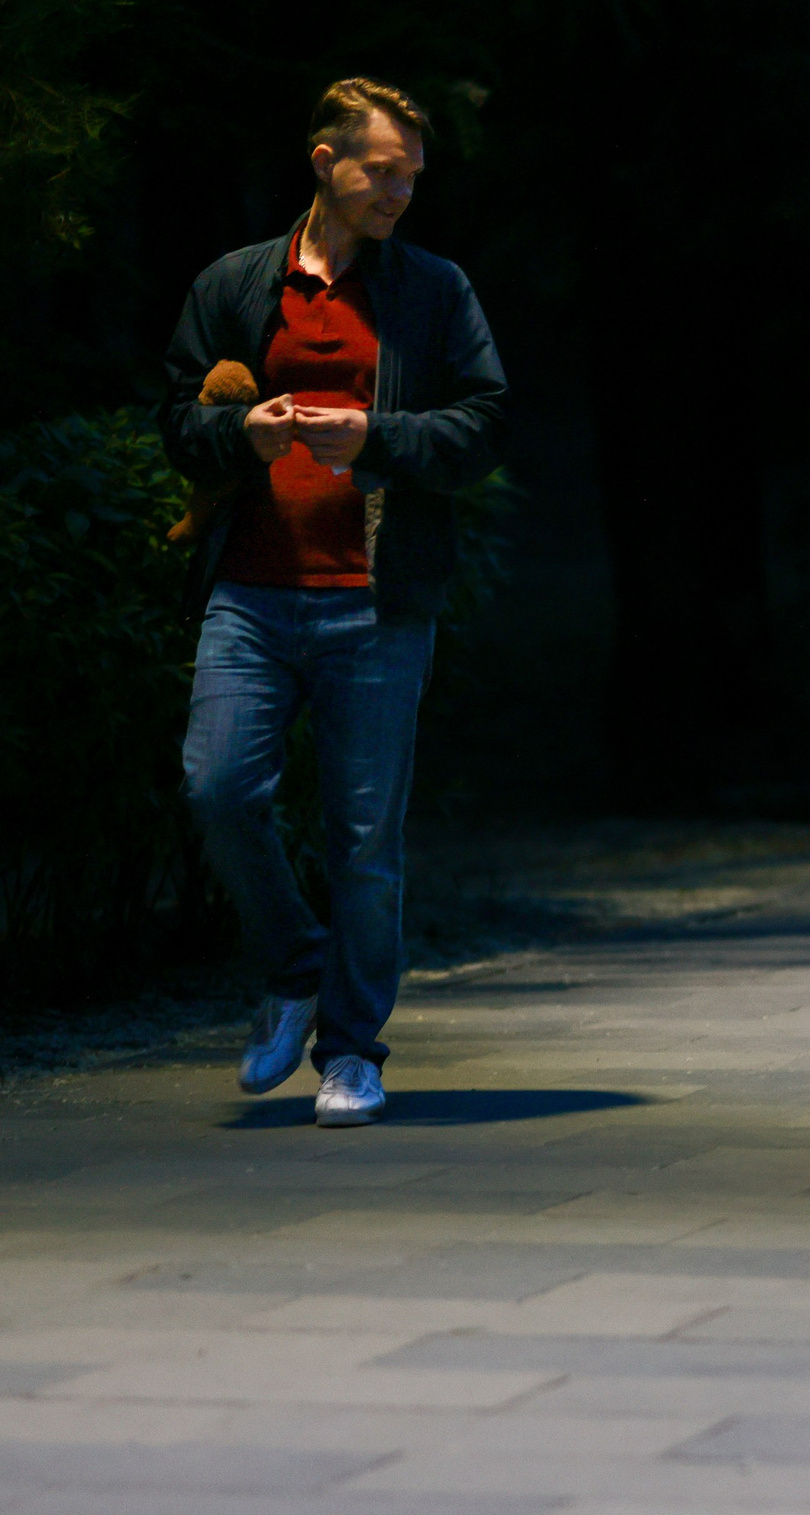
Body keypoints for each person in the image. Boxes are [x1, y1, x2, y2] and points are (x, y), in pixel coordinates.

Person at [159, 78, 508, 1127]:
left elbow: (485, 422)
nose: (401, 190)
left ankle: (352, 1050)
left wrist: (380, 441)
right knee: (217, 787)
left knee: (365, 839)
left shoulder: (433, 290)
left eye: (413, 173)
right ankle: (295, 965)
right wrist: (240, 436)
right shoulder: (234, 282)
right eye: (381, 169)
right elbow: (178, 417)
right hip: (252, 593)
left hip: (376, 603)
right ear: (324, 162)